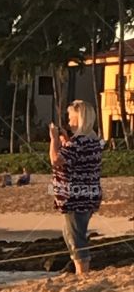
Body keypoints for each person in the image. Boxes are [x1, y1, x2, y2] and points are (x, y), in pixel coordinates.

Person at [50, 99, 102, 276]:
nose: (69, 120)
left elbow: (56, 159)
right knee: (72, 232)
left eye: (71, 117)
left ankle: (82, 272)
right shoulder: (92, 140)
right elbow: (73, 157)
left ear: (80, 118)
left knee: (75, 235)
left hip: (75, 195)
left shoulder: (78, 142)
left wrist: (54, 140)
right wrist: (65, 139)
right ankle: (82, 269)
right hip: (89, 193)